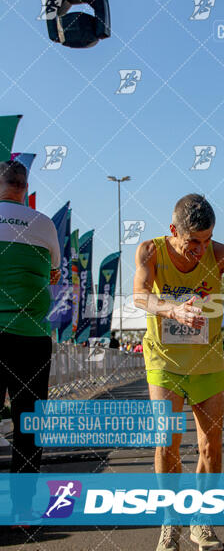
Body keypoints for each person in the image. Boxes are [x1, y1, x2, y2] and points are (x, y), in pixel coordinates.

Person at [133, 194, 224, 551]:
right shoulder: (151, 250)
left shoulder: (222, 255)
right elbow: (139, 295)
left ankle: (202, 521)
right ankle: (170, 522)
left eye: (207, 240)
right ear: (173, 231)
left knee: (210, 445)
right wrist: (173, 311)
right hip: (164, 361)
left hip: (207, 362)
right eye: (193, 242)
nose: (201, 250)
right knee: (167, 442)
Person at [0, 160, 61, 521]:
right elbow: (53, 273)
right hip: (30, 337)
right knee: (28, 423)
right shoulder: (44, 224)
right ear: (25, 188)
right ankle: (21, 509)